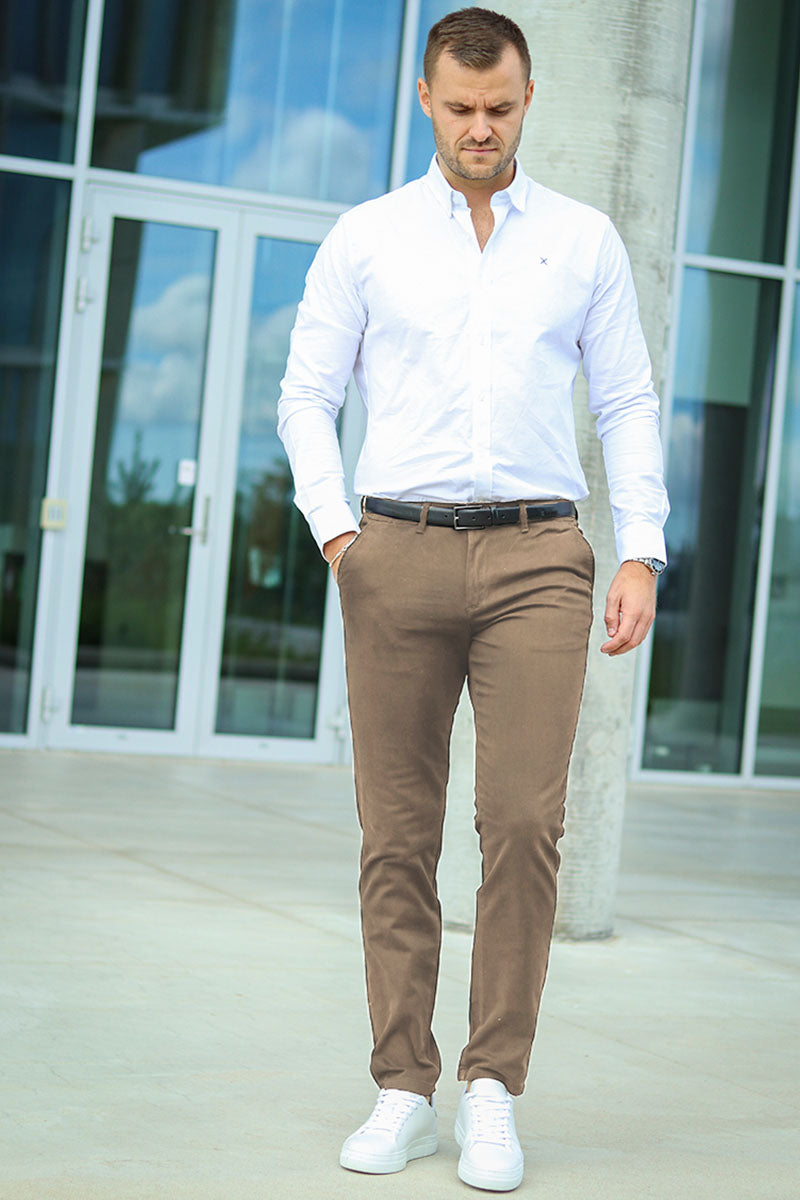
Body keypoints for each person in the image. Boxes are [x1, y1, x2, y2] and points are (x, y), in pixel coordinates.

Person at [277, 6, 668, 1192]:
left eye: (499, 107)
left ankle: (491, 1085)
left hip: (538, 558)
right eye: (459, 108)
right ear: (425, 100)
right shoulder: (366, 237)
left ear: (528, 98)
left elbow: (626, 401)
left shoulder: (584, 240)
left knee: (524, 826)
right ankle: (404, 1087)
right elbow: (305, 397)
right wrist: (340, 537)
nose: (480, 127)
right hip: (393, 550)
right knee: (395, 834)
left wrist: (640, 550)